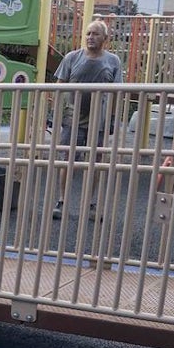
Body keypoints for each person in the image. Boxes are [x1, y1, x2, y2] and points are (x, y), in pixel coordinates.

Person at [51, 19, 123, 219]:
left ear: (105, 39)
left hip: (98, 121)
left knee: (95, 162)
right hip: (73, 119)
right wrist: (54, 114)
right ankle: (62, 200)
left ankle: (91, 204)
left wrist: (112, 118)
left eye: (95, 34)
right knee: (68, 160)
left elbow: (117, 93)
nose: (91, 37)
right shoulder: (72, 57)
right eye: (88, 34)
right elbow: (59, 86)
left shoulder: (113, 61)